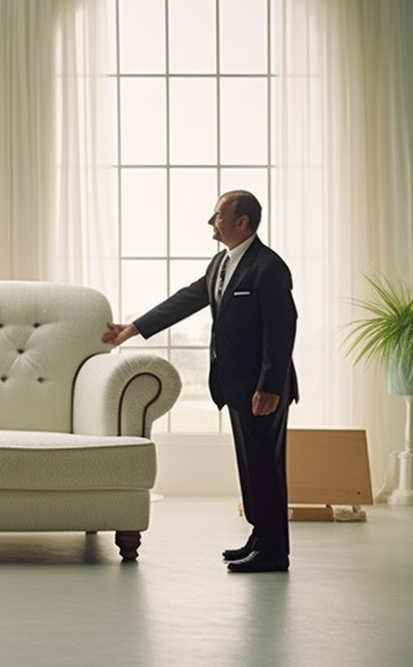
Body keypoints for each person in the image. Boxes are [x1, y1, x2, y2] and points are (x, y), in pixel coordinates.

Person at [102, 190, 298, 573]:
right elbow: (188, 298)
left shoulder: (268, 267)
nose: (212, 221)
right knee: (251, 465)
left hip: (263, 389)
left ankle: (274, 552)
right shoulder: (222, 263)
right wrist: (134, 328)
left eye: (218, 215)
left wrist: (270, 386)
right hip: (236, 385)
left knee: (266, 467)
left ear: (242, 222)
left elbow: (283, 329)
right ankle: (260, 540)